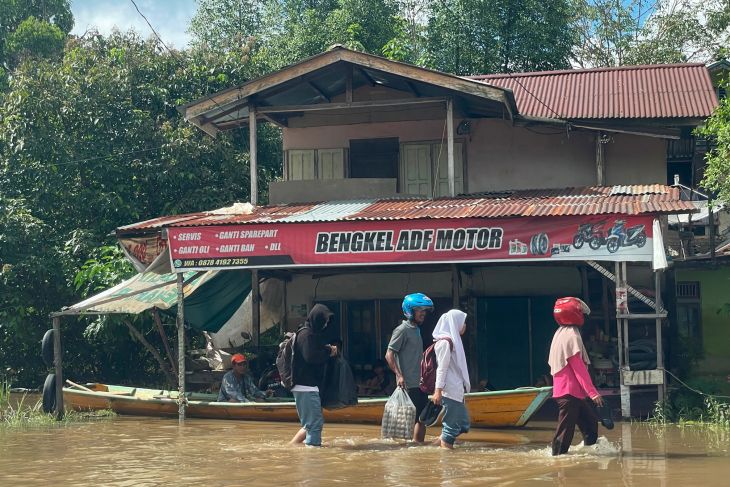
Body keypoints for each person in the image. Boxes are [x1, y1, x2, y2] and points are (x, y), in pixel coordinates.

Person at [548, 297, 604, 456]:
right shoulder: (572, 335)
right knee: (565, 432)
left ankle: (589, 458)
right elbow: (579, 368)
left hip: (573, 393)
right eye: (580, 312)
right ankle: (557, 461)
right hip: (569, 393)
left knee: (590, 425)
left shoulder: (560, 333)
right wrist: (593, 393)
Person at [385, 292, 433, 443]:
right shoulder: (402, 330)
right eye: (419, 310)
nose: (423, 313)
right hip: (408, 385)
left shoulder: (416, 329)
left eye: (424, 310)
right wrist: (399, 375)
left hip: (420, 384)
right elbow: (389, 354)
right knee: (406, 424)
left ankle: (418, 450)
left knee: (422, 419)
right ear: (410, 311)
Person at [289, 304, 338, 447]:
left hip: (306, 386)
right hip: (306, 386)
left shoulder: (309, 334)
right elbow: (311, 357)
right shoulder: (307, 335)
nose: (325, 325)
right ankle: (313, 456)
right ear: (317, 319)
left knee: (310, 424)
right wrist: (329, 352)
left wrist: (326, 349)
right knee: (315, 425)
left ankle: (290, 447)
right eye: (324, 321)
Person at [431, 309, 471, 449]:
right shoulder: (445, 343)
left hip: (457, 389)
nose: (464, 326)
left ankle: (433, 447)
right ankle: (447, 461)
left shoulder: (453, 341)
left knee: (463, 423)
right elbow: (441, 368)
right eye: (463, 322)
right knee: (452, 427)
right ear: (456, 323)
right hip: (450, 390)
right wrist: (438, 391)